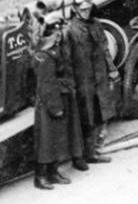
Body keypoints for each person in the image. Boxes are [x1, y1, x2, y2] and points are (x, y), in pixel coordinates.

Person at [65, 0, 118, 168]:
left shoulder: (96, 24)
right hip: (82, 79)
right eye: (82, 9)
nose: (86, 12)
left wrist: (111, 69)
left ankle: (92, 152)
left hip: (99, 76)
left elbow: (104, 49)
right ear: (75, 9)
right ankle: (79, 156)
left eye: (88, 9)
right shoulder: (70, 30)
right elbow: (67, 58)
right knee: (83, 117)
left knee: (98, 113)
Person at [32, 12, 82, 190]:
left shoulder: (55, 47)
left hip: (61, 96)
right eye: (57, 30)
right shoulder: (45, 54)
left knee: (57, 139)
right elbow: (46, 84)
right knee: (46, 142)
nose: (60, 33)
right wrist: (55, 107)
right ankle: (41, 176)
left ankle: (53, 172)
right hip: (50, 102)